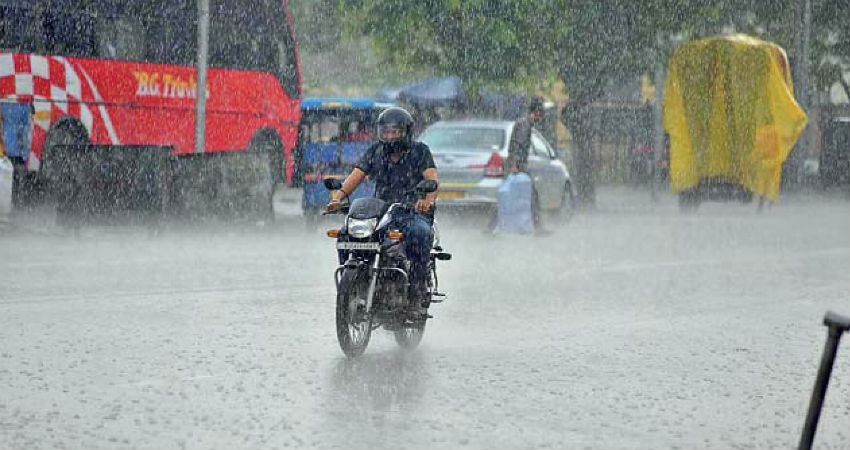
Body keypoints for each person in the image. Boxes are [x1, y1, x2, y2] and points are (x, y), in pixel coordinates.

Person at [327, 107, 439, 318]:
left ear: (405, 132)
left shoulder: (420, 151)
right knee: (345, 233)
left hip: (410, 210)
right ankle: (351, 284)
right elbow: (356, 175)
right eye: (385, 132)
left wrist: (426, 200)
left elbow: (432, 179)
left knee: (420, 234)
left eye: (394, 132)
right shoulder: (375, 151)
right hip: (380, 211)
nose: (389, 137)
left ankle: (416, 293)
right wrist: (338, 197)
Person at [486, 97, 552, 235]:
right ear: (536, 112)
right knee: (529, 196)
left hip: (516, 165)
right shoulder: (525, 125)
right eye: (541, 114)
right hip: (517, 166)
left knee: (507, 194)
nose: (542, 117)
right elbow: (518, 146)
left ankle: (491, 227)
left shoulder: (524, 124)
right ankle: (537, 227)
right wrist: (515, 165)